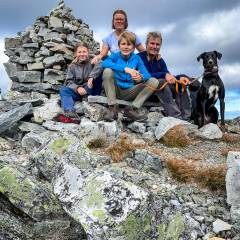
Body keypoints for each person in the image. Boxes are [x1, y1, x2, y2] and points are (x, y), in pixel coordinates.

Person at [102, 31, 159, 122]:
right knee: (107, 71)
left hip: (130, 91)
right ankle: (112, 108)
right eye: (123, 44)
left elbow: (147, 74)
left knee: (154, 81)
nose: (126, 47)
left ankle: (131, 109)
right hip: (115, 89)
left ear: (133, 47)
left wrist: (141, 77)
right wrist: (125, 69)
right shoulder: (115, 56)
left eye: (129, 44)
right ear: (119, 46)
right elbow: (105, 63)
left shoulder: (137, 58)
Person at [138, 31, 192, 120]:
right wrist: (164, 74)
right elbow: (143, 75)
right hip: (145, 91)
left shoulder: (160, 61)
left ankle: (186, 117)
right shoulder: (138, 57)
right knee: (161, 81)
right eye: (152, 43)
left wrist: (180, 78)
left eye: (157, 44)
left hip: (159, 93)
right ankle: (176, 117)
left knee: (180, 84)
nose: (155, 47)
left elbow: (168, 75)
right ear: (146, 44)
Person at [59, 42, 102, 119]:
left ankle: (88, 99)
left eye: (84, 51)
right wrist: (77, 88)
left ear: (88, 52)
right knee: (63, 90)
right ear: (76, 53)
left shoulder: (93, 61)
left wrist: (91, 77)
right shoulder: (72, 66)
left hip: (91, 89)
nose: (82, 54)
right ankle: (69, 111)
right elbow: (69, 81)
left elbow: (101, 64)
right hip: (79, 91)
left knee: (97, 78)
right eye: (79, 52)